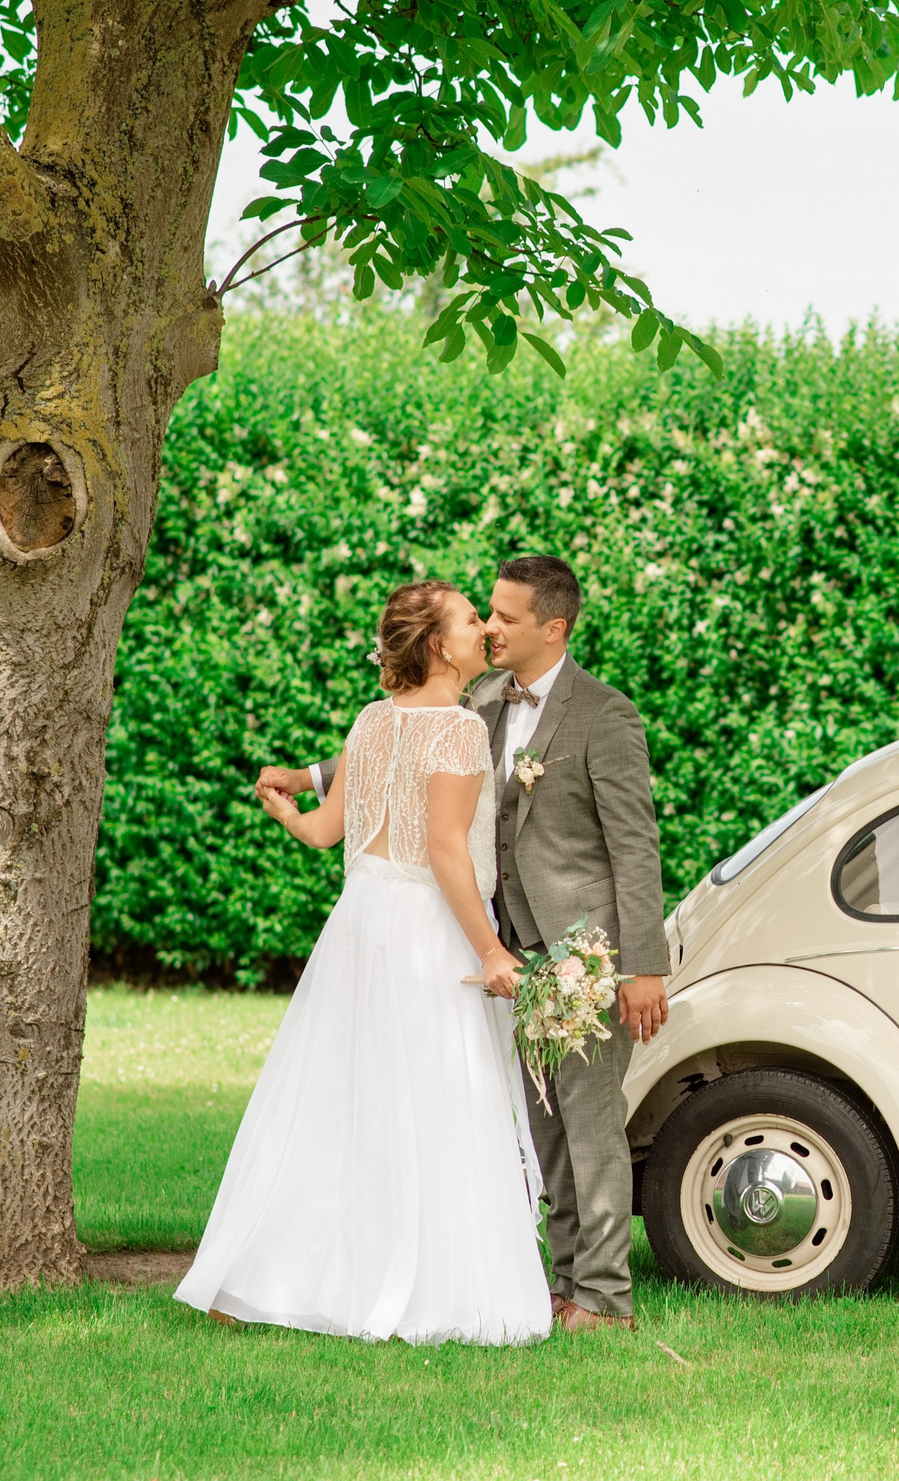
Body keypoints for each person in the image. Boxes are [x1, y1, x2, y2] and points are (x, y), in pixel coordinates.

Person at [260, 554, 667, 1332]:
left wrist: (642, 965)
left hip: (582, 949)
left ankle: (606, 1298)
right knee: (542, 1125)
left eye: (506, 616)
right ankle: (567, 1281)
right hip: (500, 943)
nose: (490, 624)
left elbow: (635, 847)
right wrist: (310, 777)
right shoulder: (477, 698)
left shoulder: (604, 715)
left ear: (554, 627)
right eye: (485, 612)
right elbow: (396, 747)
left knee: (589, 1122)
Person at [177, 580, 551, 1346]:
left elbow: (324, 833)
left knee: (338, 1098)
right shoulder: (456, 731)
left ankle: (264, 1273)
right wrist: (490, 949)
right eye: (472, 620)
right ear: (441, 645)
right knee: (431, 1099)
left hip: (360, 924)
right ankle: (420, 1286)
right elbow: (447, 850)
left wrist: (286, 810)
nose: (485, 628)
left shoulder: (372, 722)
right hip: (425, 930)